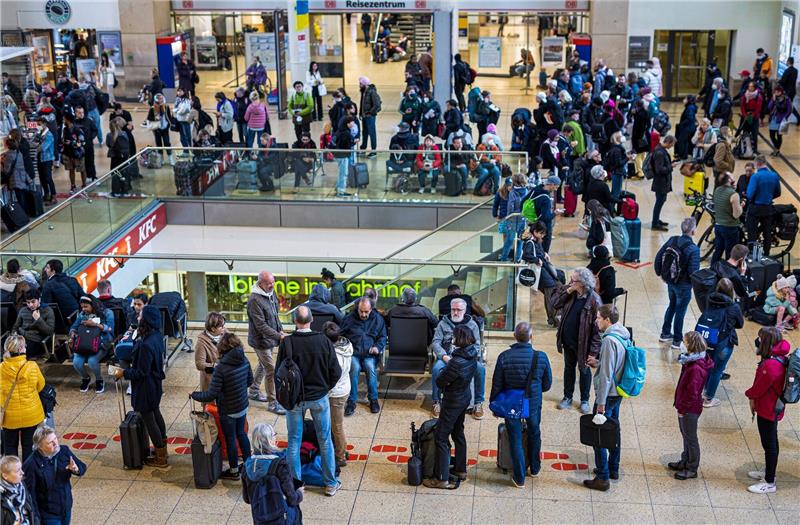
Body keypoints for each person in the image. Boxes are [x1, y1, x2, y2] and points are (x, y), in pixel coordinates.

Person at [278, 306, 342, 496]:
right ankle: (330, 484)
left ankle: (297, 486)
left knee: (294, 441)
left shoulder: (287, 343)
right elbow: (335, 371)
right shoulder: (323, 340)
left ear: (295, 321)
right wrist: (324, 388)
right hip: (319, 398)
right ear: (312, 320)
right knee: (325, 440)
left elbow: (279, 373)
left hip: (295, 400)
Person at [489, 322, 552, 487]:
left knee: (515, 438)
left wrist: (494, 404)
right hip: (532, 402)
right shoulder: (541, 357)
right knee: (534, 432)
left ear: (515, 337)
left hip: (512, 403)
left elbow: (497, 384)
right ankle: (535, 468)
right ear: (531, 337)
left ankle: (519, 477)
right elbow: (547, 384)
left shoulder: (504, 356)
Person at [423, 325, 479, 490]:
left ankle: (442, 478)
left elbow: (440, 381)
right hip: (464, 398)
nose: (452, 340)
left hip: (452, 402)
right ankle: (461, 469)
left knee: (441, 437)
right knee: (458, 433)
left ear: (459, 339)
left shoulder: (456, 362)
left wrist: (443, 373)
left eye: (454, 337)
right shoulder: (472, 354)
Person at [191, 332, 253, 480]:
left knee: (231, 438)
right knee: (242, 434)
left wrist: (194, 395)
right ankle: (249, 466)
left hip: (228, 410)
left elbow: (211, 394)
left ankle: (233, 471)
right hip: (243, 405)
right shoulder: (244, 359)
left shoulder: (221, 367)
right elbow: (250, 381)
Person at [111, 305, 167, 467]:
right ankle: (162, 449)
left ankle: (160, 456)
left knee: (149, 419)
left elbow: (141, 372)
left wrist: (123, 373)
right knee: (156, 413)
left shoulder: (145, 345)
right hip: (155, 384)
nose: (138, 317)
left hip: (145, 388)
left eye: (141, 315)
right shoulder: (156, 335)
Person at [582, 304, 630, 491]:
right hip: (618, 391)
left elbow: (607, 375)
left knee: (599, 435)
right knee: (614, 428)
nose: (596, 321)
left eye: (599, 318)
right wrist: (599, 362)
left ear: (607, 320)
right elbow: (615, 362)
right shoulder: (622, 333)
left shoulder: (609, 340)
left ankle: (602, 477)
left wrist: (600, 403)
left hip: (608, 394)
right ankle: (613, 467)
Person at [744, 327, 790, 494]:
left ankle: (769, 482)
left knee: (769, 444)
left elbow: (759, 388)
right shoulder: (779, 357)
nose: (757, 341)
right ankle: (769, 472)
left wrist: (748, 394)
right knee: (771, 442)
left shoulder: (771, 365)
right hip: (772, 406)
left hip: (768, 408)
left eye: (760, 338)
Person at [551, 268, 602, 414]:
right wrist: (567, 291)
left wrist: (593, 352)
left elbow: (597, 331)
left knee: (584, 371)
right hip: (568, 341)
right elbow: (554, 304)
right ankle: (567, 397)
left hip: (584, 344)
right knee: (569, 368)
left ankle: (585, 400)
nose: (570, 283)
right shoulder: (571, 293)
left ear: (582, 283)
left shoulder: (594, 301)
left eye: (573, 281)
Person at [665, 331, 713, 482]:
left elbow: (691, 393)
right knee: (686, 435)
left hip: (689, 409)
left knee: (690, 438)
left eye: (684, 343)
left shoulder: (695, 368)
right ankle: (685, 461)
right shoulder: (692, 361)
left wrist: (682, 409)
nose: (682, 345)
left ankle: (692, 468)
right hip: (688, 407)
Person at [430, 298, 484, 419]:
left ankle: (478, 402)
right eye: (453, 309)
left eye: (459, 310)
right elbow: (435, 343)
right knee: (436, 369)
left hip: (467, 358)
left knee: (480, 369)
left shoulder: (472, 325)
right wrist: (443, 356)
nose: (455, 312)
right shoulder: (443, 324)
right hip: (447, 358)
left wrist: (467, 358)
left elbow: (476, 346)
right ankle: (436, 402)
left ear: (465, 310)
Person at [22, 425, 86, 525]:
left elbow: (83, 468)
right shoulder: (31, 464)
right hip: (48, 514)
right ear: (40, 446)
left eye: (55, 438)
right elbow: (30, 494)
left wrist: (76, 469)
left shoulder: (64, 451)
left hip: (65, 507)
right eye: (50, 442)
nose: (55, 443)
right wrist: (35, 518)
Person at [242, 423, 304, 524]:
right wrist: (300, 493)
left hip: (260, 518)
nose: (275, 438)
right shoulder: (280, 465)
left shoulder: (246, 467)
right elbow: (292, 499)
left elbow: (247, 499)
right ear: (270, 440)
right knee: (295, 511)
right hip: (281, 518)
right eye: (274, 435)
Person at [655, 218, 701, 350]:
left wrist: (661, 274)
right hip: (684, 285)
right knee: (680, 311)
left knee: (672, 305)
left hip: (671, 281)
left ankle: (665, 333)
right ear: (693, 231)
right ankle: (677, 339)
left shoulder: (672, 240)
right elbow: (693, 272)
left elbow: (659, 256)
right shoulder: (694, 249)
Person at [246, 271, 286, 415]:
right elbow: (261, 326)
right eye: (269, 283)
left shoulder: (271, 293)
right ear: (260, 283)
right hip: (260, 341)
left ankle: (254, 390)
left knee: (263, 365)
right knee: (271, 369)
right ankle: (272, 403)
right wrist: (278, 336)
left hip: (271, 338)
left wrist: (280, 330)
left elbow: (275, 316)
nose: (272, 285)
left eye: (273, 282)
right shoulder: (254, 300)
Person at [700, 278, 744, 408]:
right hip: (723, 342)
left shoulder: (709, 299)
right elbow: (740, 324)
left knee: (707, 365)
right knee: (717, 370)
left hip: (707, 338)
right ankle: (708, 398)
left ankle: (703, 390)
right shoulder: (733, 306)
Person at [0, 336, 45, 461]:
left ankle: (11, 475)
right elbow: (41, 386)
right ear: (21, 349)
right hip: (31, 414)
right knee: (29, 447)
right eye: (24, 346)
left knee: (9, 446)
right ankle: (28, 476)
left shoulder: (1, 368)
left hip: (9, 416)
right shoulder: (32, 366)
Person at [340, 298, 386, 416]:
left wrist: (377, 347)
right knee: (354, 368)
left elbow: (382, 337)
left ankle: (373, 399)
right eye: (361, 311)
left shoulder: (377, 319)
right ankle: (351, 401)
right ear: (358, 308)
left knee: (370, 367)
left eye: (366, 311)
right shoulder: (349, 318)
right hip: (354, 353)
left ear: (371, 309)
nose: (363, 314)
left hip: (370, 353)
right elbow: (341, 335)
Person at [320, 322, 352, 469]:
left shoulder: (334, 355)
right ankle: (343, 448)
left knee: (336, 426)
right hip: (345, 388)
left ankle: (340, 456)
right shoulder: (346, 345)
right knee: (338, 424)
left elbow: (332, 377)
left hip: (336, 393)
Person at [69, 295, 114, 393]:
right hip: (84, 343)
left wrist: (96, 325)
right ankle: (85, 378)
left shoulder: (108, 313)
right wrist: (72, 334)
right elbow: (74, 327)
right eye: (82, 307)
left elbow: (110, 330)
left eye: (86, 307)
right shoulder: (82, 314)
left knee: (92, 361)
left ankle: (99, 380)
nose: (84, 309)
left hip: (101, 343)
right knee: (76, 362)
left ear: (93, 305)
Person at [521, 222, 559, 326]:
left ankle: (554, 318)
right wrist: (537, 259)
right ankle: (553, 319)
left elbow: (537, 252)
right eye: (541, 233)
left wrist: (544, 254)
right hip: (541, 272)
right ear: (535, 232)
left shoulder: (536, 240)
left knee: (552, 292)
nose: (543, 236)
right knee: (550, 295)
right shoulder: (530, 242)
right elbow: (525, 255)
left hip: (544, 270)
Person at [746, 156, 781, 256]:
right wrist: (768, 197)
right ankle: (767, 255)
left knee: (752, 233)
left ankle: (753, 256)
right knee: (767, 233)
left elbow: (749, 194)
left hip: (755, 209)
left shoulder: (755, 177)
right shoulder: (774, 175)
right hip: (768, 209)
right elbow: (778, 193)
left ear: (757, 164)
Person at [710, 172, 743, 265]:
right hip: (730, 228)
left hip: (718, 226)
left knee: (718, 250)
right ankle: (728, 275)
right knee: (730, 254)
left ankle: (712, 270)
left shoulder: (717, 190)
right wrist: (741, 206)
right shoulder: (734, 195)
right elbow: (736, 215)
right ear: (729, 180)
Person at [12, 289, 54, 360]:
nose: (30, 305)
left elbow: (50, 331)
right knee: (9, 347)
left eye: (33, 302)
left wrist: (39, 320)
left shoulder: (47, 310)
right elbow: (15, 327)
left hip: (36, 340)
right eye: (28, 302)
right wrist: (14, 335)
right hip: (22, 338)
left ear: (39, 300)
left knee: (22, 352)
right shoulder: (23, 310)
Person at [521, 175, 560, 252]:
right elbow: (546, 217)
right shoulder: (545, 199)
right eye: (556, 187)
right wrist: (555, 213)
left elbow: (523, 201)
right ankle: (544, 262)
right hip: (543, 228)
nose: (556, 189)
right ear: (551, 184)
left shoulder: (537, 189)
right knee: (543, 251)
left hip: (533, 224)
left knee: (532, 248)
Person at [650, 135, 677, 231]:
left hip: (662, 182)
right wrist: (671, 166)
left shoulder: (660, 150)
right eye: (672, 144)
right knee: (659, 202)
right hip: (660, 182)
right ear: (668, 142)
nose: (672, 147)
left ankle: (656, 220)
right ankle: (655, 223)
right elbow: (659, 169)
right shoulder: (660, 153)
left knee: (661, 201)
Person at [1, 455, 37, 525]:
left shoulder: (21, 485)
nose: (22, 473)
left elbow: (32, 510)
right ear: (5, 476)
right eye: (18, 471)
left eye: (21, 469)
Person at [195, 311, 225, 391]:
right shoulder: (201, 342)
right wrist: (216, 367)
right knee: (211, 403)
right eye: (221, 326)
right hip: (211, 380)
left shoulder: (224, 333)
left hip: (225, 378)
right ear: (213, 329)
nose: (223, 328)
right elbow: (199, 364)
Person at [146, 93, 173, 165]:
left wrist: (169, 125)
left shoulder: (166, 107)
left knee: (167, 143)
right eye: (159, 98)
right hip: (157, 129)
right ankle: (161, 159)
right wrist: (155, 118)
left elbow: (169, 117)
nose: (160, 100)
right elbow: (149, 118)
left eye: (161, 98)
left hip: (165, 128)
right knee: (159, 144)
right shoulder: (152, 108)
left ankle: (170, 158)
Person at [34, 115, 56, 205]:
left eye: (39, 124)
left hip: (47, 160)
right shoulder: (39, 133)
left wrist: (35, 146)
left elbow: (43, 148)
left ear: (44, 124)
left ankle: (54, 196)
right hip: (40, 159)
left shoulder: (49, 135)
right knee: (42, 178)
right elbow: (34, 143)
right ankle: (46, 194)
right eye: (37, 124)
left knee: (48, 178)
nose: (38, 126)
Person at [333, 116, 356, 197]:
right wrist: (353, 142)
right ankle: (341, 191)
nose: (353, 123)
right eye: (352, 122)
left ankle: (338, 188)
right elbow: (347, 145)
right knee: (344, 173)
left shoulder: (339, 131)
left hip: (338, 155)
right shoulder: (346, 133)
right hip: (342, 155)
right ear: (348, 123)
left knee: (341, 173)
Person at [358, 77, 381, 156]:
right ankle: (363, 148)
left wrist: (370, 113)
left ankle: (374, 150)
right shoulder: (364, 91)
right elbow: (362, 103)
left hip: (370, 116)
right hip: (364, 116)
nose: (359, 85)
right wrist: (360, 114)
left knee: (372, 133)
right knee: (365, 132)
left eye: (360, 83)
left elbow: (377, 104)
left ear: (365, 84)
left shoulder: (372, 92)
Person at [767, 86, 792, 155]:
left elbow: (789, 110)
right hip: (773, 119)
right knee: (771, 135)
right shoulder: (774, 98)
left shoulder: (786, 99)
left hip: (781, 120)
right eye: (775, 92)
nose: (776, 93)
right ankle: (777, 148)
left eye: (778, 92)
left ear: (781, 92)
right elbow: (769, 107)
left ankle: (777, 150)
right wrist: (773, 100)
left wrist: (785, 117)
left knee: (779, 136)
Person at [740, 81, 763, 154]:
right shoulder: (745, 95)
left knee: (754, 134)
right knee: (745, 133)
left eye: (751, 86)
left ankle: (755, 150)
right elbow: (742, 105)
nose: (750, 88)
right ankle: (744, 148)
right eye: (749, 86)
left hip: (754, 117)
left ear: (754, 87)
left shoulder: (758, 96)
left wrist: (752, 116)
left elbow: (758, 108)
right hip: (746, 116)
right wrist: (744, 115)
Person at [675, 95, 699, 160]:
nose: (684, 100)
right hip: (690, 127)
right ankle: (684, 154)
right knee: (685, 141)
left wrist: (681, 124)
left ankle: (682, 155)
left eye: (685, 98)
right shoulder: (691, 107)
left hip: (687, 128)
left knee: (681, 141)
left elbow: (689, 118)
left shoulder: (690, 108)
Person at [778, 56, 799, 125]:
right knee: (789, 105)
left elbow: (783, 81)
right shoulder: (796, 70)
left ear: (788, 62)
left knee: (787, 105)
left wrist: (778, 81)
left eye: (787, 61)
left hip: (787, 91)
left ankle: (784, 119)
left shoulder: (787, 71)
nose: (786, 63)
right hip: (793, 90)